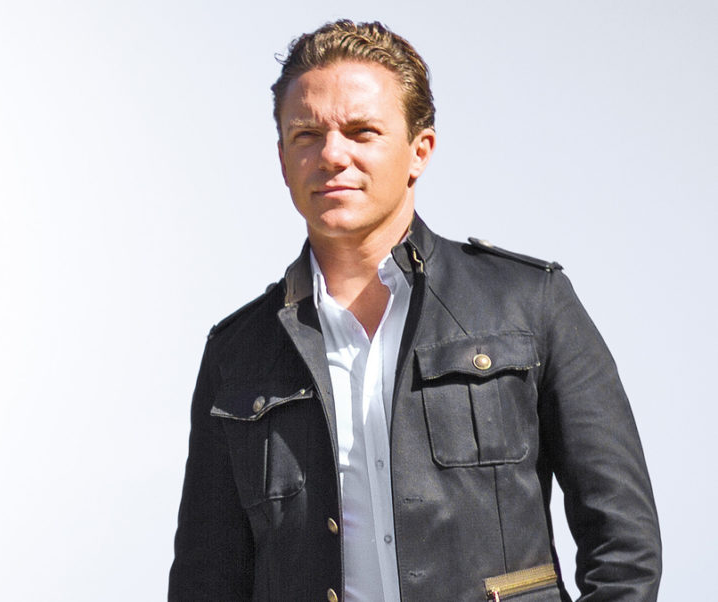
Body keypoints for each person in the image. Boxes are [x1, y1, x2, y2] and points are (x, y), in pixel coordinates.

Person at [168, 19, 661, 602]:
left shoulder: (529, 302)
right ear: (282, 159)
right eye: (306, 134)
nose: (332, 155)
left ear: (419, 151)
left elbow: (624, 549)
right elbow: (206, 579)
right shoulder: (237, 353)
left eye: (362, 131)